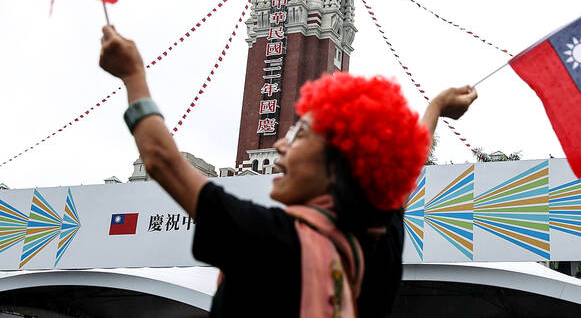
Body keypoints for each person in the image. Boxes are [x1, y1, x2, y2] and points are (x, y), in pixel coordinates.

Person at [99, 25, 477, 317]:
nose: (280, 143)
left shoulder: (272, 241)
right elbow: (400, 172)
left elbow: (163, 162)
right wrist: (434, 110)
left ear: (339, 165)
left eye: (300, 134)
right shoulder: (372, 248)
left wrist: (133, 76)